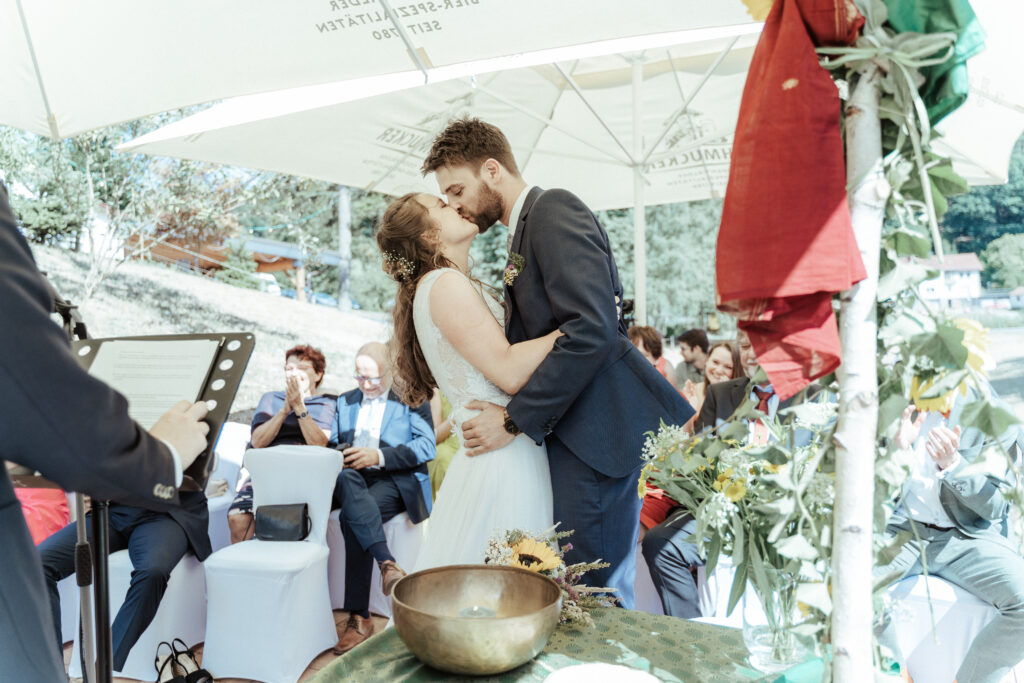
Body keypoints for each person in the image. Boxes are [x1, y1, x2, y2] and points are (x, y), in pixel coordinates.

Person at [420, 118, 694, 608]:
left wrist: (514, 419)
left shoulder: (553, 210)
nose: (456, 204)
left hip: (596, 435)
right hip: (574, 433)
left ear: (492, 170)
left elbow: (591, 329)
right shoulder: (523, 230)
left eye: (457, 190)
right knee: (578, 589)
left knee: (597, 593)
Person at [0, 181, 210, 680]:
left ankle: (106, 666)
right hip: (114, 501)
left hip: (167, 510)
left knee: (152, 569)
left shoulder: (197, 392)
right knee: (42, 561)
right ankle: (68, 667)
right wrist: (161, 452)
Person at [375, 194, 556, 576]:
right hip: (501, 457)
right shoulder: (444, 284)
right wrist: (575, 329)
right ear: (429, 236)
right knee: (507, 586)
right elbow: (508, 371)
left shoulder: (445, 284)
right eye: (442, 205)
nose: (455, 205)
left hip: (498, 447)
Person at [642, 329, 823, 617]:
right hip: (721, 512)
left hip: (784, 518)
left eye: (759, 345)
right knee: (661, 544)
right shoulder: (721, 394)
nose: (751, 354)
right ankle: (690, 631)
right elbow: (699, 462)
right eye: (745, 346)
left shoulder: (812, 397)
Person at [877, 390, 1024, 683]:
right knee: (848, 585)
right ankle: (894, 675)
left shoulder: (991, 414)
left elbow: (996, 507)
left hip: (967, 536)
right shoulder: (889, 400)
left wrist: (954, 464)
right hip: (902, 530)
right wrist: (896, 452)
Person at [328, 342, 435, 653]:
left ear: (390, 371)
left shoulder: (411, 397)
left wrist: (378, 456)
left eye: (373, 378)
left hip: (394, 479)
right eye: (360, 377)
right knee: (348, 483)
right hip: (352, 477)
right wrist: (343, 455)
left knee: (355, 515)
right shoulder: (345, 400)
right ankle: (387, 564)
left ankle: (359, 617)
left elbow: (427, 446)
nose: (366, 385)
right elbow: (333, 445)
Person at [227, 344, 336, 543]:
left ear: (318, 374)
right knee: (238, 517)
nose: (294, 373)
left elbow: (320, 443)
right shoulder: (271, 399)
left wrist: (299, 407)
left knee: (289, 522)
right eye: (290, 368)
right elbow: (257, 442)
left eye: (302, 368)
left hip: (305, 471)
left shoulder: (327, 402)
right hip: (267, 469)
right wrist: (285, 410)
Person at [680, 340, 744, 430]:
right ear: (707, 360)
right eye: (715, 362)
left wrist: (724, 398)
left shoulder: (743, 398)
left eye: (728, 367)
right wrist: (687, 410)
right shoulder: (692, 392)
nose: (719, 370)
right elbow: (683, 435)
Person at [427, 389, 460, 500]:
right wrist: (457, 416)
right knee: (442, 457)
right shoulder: (437, 391)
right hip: (448, 445)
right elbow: (435, 436)